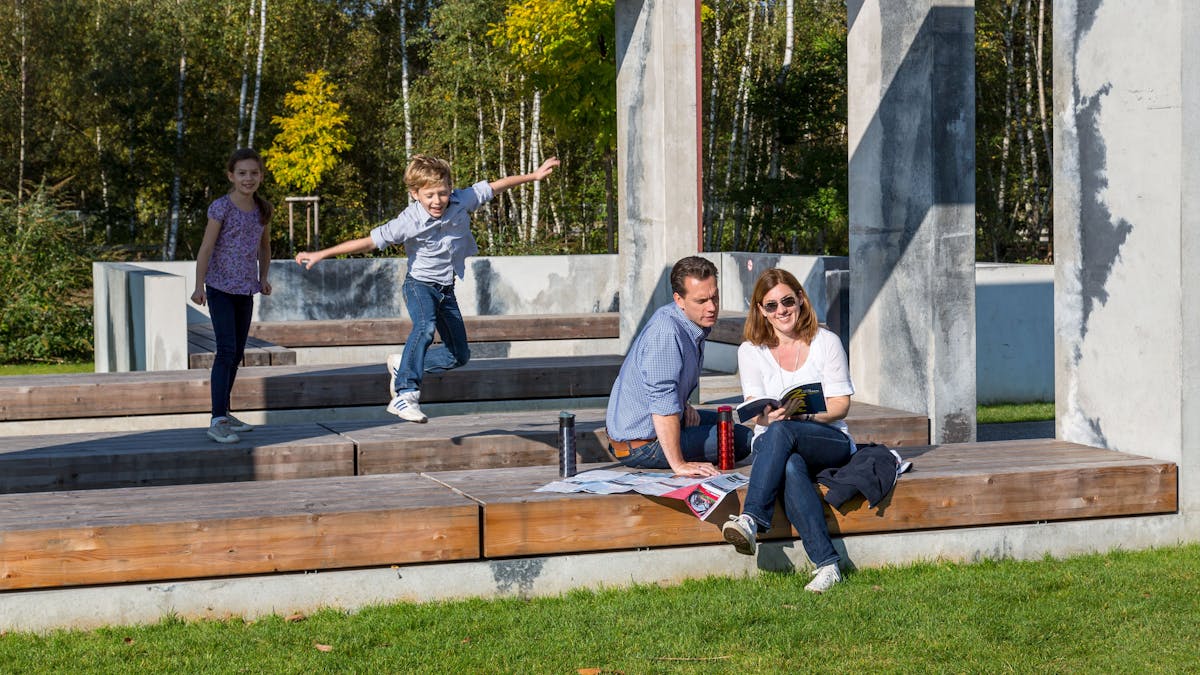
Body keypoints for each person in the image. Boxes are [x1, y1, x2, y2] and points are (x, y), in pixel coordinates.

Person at [295, 154, 560, 422]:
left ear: (450, 189)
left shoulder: (461, 200)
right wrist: (321, 254)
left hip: (446, 289)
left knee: (459, 355)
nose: (437, 201)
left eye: (442, 194)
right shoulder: (407, 221)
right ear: (415, 194)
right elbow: (368, 242)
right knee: (424, 328)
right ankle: (404, 394)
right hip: (419, 286)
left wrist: (534, 176)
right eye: (429, 195)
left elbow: (495, 186)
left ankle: (402, 364)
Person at [720, 268, 855, 593]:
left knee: (785, 431)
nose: (781, 310)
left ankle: (751, 518)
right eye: (771, 305)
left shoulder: (826, 342)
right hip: (776, 443)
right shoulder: (750, 351)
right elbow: (755, 412)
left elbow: (840, 405)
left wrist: (804, 417)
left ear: (800, 300)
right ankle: (828, 565)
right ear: (760, 311)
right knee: (791, 464)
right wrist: (768, 415)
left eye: (787, 301)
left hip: (827, 437)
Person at [605, 256, 752, 478]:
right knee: (740, 440)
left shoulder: (685, 322)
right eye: (701, 301)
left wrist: (683, 406)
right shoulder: (666, 332)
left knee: (726, 424)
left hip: (651, 429)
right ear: (679, 300)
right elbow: (662, 403)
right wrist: (680, 464)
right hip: (642, 446)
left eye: (715, 297)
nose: (712, 307)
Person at [191, 148, 274, 444]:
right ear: (231, 176)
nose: (248, 178)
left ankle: (225, 411)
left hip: (245, 289)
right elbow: (206, 247)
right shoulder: (221, 208)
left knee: (237, 353)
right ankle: (217, 420)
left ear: (261, 176)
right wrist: (199, 285)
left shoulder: (263, 210)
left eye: (253, 173)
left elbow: (264, 248)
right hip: (219, 288)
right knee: (226, 350)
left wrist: (263, 278)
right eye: (242, 173)